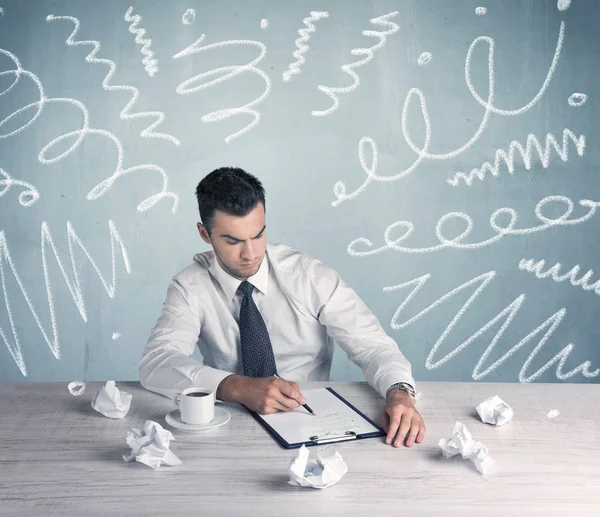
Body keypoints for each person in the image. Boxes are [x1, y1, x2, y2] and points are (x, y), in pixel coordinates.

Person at [139, 167, 426, 448]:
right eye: (232, 240)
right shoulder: (190, 287)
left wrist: (400, 393)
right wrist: (236, 387)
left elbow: (373, 346)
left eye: (258, 234)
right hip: (228, 425)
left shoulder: (309, 277)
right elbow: (158, 362)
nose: (250, 253)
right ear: (205, 234)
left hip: (312, 423)